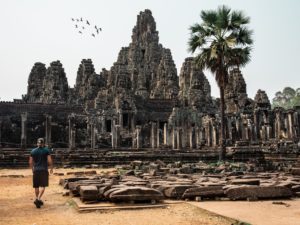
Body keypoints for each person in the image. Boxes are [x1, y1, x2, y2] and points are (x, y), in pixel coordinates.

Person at [29, 138, 53, 208]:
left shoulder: (33, 151)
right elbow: (49, 161)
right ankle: (38, 199)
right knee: (43, 186)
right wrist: (51, 168)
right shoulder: (46, 150)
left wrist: (32, 169)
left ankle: (37, 199)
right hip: (44, 170)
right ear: (43, 144)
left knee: (36, 186)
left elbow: (30, 162)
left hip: (36, 170)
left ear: (37, 143)